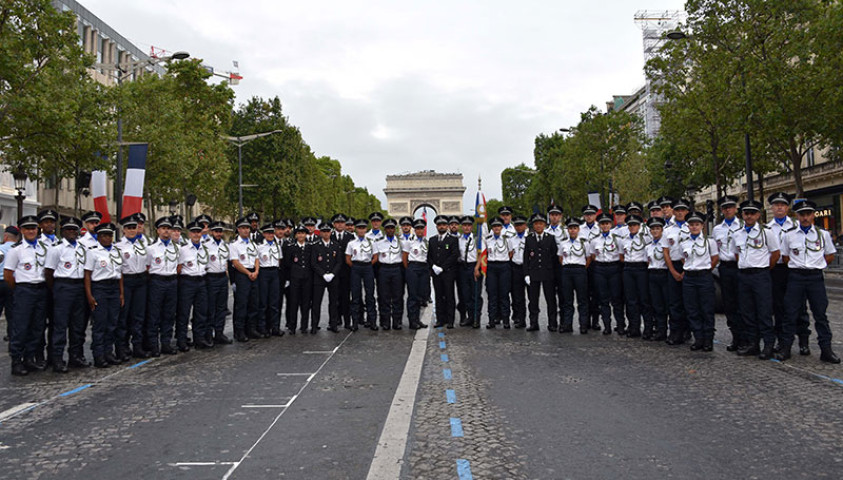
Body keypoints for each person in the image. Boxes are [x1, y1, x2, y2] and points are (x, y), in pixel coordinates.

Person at [780, 200, 840, 363]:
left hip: (815, 278)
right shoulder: (789, 235)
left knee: (820, 314)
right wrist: (800, 266)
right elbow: (786, 257)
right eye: (802, 214)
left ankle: (826, 350)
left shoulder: (823, 234)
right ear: (797, 216)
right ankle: (786, 347)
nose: (805, 218)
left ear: (813, 215)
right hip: (796, 277)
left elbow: (829, 255)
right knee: (790, 313)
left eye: (808, 214)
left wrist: (815, 265)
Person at [733, 200, 780, 359]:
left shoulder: (766, 232)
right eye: (746, 213)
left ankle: (768, 344)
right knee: (747, 311)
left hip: (761, 275)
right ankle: (753, 343)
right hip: (744, 275)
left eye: (753, 213)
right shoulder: (737, 234)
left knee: (764, 311)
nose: (749, 216)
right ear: (742, 215)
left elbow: (775, 254)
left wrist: (764, 268)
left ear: (758, 215)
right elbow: (737, 254)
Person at [767, 192, 811, 355]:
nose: (779, 207)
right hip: (776, 270)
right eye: (776, 205)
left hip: (793, 268)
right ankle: (781, 340)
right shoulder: (767, 228)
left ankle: (803, 341)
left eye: (783, 205)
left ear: (787, 208)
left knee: (799, 306)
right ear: (772, 208)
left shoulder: (796, 226)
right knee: (778, 307)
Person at [4, 215, 49, 375]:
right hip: (24, 290)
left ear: (38, 230)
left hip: (41, 289)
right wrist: (19, 289)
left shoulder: (43, 248)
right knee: (21, 327)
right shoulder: (16, 251)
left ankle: (30, 358)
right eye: (27, 228)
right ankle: (17, 361)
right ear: (22, 230)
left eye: (33, 228)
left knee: (37, 327)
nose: (31, 231)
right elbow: (8, 274)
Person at [44, 217, 86, 373]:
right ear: (62, 232)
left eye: (74, 230)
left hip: (79, 287)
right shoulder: (56, 249)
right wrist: (57, 289)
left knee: (77, 325)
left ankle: (75, 356)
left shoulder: (82, 249)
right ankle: (57, 359)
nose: (72, 232)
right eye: (68, 230)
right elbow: (49, 272)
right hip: (63, 286)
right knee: (60, 325)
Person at [84, 222, 124, 368]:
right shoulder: (92, 252)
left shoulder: (116, 251)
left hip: (113, 288)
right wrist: (89, 295)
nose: (107, 238)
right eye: (104, 235)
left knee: (112, 322)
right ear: (98, 237)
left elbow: (120, 274)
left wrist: (121, 294)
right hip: (99, 288)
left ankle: (109, 352)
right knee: (100, 323)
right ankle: (98, 354)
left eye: (109, 235)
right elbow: (87, 274)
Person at [681, 211, 719, 352]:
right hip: (689, 278)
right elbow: (683, 258)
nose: (694, 227)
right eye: (691, 225)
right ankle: (698, 338)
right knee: (692, 309)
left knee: (706, 309)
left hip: (704, 277)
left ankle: (708, 339)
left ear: (702, 226)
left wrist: (706, 269)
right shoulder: (684, 243)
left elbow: (715, 258)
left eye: (697, 224)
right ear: (688, 227)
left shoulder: (710, 242)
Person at [711, 195, 743, 351]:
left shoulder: (743, 225)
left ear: (736, 208)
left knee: (744, 303)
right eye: (724, 208)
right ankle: (736, 337)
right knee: (729, 304)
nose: (728, 210)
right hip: (725, 267)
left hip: (741, 267)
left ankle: (748, 338)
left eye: (730, 207)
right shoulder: (717, 230)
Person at [115, 214, 149, 360]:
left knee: (139, 316)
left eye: (134, 227)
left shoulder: (143, 245)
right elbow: (118, 269)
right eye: (128, 228)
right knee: (124, 317)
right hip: (126, 281)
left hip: (141, 280)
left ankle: (137, 346)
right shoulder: (118, 247)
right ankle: (122, 348)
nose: (131, 230)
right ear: (123, 230)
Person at [146, 216, 180, 355]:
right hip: (157, 282)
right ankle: (153, 345)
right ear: (158, 231)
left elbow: (179, 266)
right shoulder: (151, 249)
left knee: (169, 314)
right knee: (154, 314)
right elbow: (147, 267)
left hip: (172, 281)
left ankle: (166, 343)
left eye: (168, 229)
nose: (166, 231)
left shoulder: (177, 248)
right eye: (163, 229)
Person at [176, 221, 210, 351]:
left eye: (198, 232)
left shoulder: (204, 248)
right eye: (194, 232)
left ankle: (199, 338)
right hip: (187, 282)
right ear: (189, 234)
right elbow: (179, 268)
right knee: (184, 312)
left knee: (200, 312)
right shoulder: (183, 250)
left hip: (201, 281)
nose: (196, 234)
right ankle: (182, 340)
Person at [589, 212, 625, 335]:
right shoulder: (594, 241)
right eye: (602, 224)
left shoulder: (618, 240)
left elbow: (621, 255)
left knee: (616, 298)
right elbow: (593, 256)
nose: (605, 226)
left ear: (611, 224)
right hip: (600, 269)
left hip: (614, 268)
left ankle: (620, 325)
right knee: (603, 299)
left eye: (607, 223)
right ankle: (607, 325)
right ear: (599, 225)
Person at [524, 213, 558, 332]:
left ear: (544, 225)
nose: (538, 226)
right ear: (533, 226)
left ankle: (552, 323)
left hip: (548, 273)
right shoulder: (529, 239)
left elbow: (554, 257)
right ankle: (534, 323)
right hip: (534, 273)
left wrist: (555, 274)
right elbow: (526, 258)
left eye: (541, 223)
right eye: (536, 224)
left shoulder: (550, 238)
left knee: (551, 300)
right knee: (533, 300)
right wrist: (526, 274)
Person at [664, 198, 691, 344]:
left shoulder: (692, 226)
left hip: (689, 266)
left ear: (687, 211)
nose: (680, 213)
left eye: (683, 210)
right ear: (673, 212)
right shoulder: (668, 230)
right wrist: (673, 271)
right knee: (674, 302)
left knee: (689, 302)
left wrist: (686, 269)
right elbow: (666, 252)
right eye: (677, 210)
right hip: (673, 266)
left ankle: (688, 330)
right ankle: (675, 332)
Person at [559, 217, 592, 334]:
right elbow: (560, 257)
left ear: (578, 230)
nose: (572, 230)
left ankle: (583, 324)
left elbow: (588, 258)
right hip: (567, 271)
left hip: (580, 271)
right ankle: (568, 324)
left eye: (575, 228)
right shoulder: (563, 242)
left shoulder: (584, 242)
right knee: (567, 300)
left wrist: (581, 268)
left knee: (582, 299)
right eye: (570, 228)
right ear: (567, 230)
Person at [621, 214, 652, 338]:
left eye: (635, 225)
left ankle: (648, 328)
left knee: (644, 299)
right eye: (630, 225)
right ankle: (634, 327)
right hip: (628, 268)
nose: (632, 227)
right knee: (631, 300)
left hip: (641, 269)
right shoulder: (624, 239)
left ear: (639, 226)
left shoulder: (646, 239)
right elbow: (621, 255)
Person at [230, 216, 260, 341]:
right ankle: (239, 331)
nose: (246, 230)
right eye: (243, 228)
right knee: (241, 304)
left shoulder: (253, 244)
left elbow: (256, 259)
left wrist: (256, 271)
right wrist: (248, 273)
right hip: (242, 274)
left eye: (247, 228)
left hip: (253, 274)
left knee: (253, 303)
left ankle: (251, 329)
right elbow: (235, 263)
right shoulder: (234, 245)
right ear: (238, 230)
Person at [428, 215, 459, 328]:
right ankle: (440, 319)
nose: (441, 226)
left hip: (448, 272)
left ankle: (450, 320)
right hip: (436, 273)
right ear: (436, 226)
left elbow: (454, 255)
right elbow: (429, 256)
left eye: (444, 225)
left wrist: (443, 267)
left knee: (449, 296)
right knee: (438, 296)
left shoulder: (453, 240)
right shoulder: (432, 240)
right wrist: (433, 266)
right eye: (439, 225)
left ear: (447, 226)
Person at [346, 218, 377, 331]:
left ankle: (372, 321)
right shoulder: (351, 243)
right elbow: (348, 259)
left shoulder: (371, 242)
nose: (361, 230)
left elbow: (375, 257)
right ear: (356, 229)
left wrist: (368, 265)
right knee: (355, 295)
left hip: (367, 267)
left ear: (366, 229)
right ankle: (355, 322)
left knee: (370, 295)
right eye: (359, 228)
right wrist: (355, 267)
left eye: (363, 228)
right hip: (356, 267)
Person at [205, 221, 232, 344]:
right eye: (216, 231)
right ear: (211, 232)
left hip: (222, 277)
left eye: (220, 231)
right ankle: (209, 334)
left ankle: (219, 333)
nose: (218, 233)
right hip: (211, 277)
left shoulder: (224, 245)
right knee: (211, 307)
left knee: (221, 307)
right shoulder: (205, 245)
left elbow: (227, 262)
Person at [312, 222, 342, 332]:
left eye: (327, 231)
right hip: (320, 278)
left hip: (333, 278)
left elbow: (339, 262)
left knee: (333, 302)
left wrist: (332, 274)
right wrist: (323, 274)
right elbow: (314, 263)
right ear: (320, 233)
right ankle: (314, 325)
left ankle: (333, 324)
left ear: (331, 232)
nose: (326, 234)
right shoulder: (315, 246)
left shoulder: (335, 245)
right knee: (316, 303)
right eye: (323, 232)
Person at [375, 218, 405, 330]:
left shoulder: (401, 242)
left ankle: (397, 321)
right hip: (384, 269)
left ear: (395, 229)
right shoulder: (378, 243)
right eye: (388, 228)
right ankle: (385, 322)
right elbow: (376, 258)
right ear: (385, 229)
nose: (390, 230)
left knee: (398, 296)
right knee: (384, 297)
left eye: (392, 228)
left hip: (397, 269)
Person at [403, 219, 431, 330]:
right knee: (413, 296)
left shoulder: (426, 242)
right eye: (418, 228)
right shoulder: (409, 241)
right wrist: (409, 269)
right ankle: (412, 321)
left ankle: (417, 319)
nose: (420, 230)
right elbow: (404, 257)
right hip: (413, 268)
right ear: (414, 230)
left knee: (420, 296)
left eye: (421, 228)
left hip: (423, 268)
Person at [485, 216, 512, 328]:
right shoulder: (488, 239)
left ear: (501, 227)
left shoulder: (507, 239)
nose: (496, 228)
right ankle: (492, 319)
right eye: (494, 226)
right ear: (492, 228)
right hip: (491, 267)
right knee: (492, 294)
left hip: (504, 266)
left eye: (498, 226)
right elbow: (485, 254)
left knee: (504, 294)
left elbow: (511, 253)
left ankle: (506, 320)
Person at [286, 225, 314, 333]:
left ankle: (304, 326)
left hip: (307, 278)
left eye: (303, 233)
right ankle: (292, 326)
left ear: (306, 235)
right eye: (299, 233)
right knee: (294, 302)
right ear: (296, 235)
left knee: (306, 303)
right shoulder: (291, 247)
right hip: (295, 278)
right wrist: (288, 278)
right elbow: (288, 264)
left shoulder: (310, 247)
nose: (301, 235)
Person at [645, 217, 669, 341]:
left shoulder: (666, 245)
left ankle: (675, 330)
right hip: (652, 275)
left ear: (662, 230)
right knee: (657, 304)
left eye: (657, 228)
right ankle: (661, 330)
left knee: (668, 303)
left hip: (664, 274)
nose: (655, 231)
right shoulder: (648, 246)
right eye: (653, 229)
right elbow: (647, 261)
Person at [456, 215, 482, 328]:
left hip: (474, 267)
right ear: (462, 227)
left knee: (475, 294)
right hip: (463, 268)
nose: (466, 228)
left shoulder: (478, 239)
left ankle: (477, 318)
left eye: (469, 225)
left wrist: (477, 268)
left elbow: (481, 255)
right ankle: (470, 317)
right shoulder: (458, 240)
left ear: (472, 227)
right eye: (464, 225)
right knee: (466, 295)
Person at [256, 223, 282, 337]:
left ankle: (275, 327)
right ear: (264, 234)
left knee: (274, 302)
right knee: (263, 302)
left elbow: (279, 260)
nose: (270, 235)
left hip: (274, 272)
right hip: (264, 272)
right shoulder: (260, 246)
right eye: (268, 233)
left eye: (272, 233)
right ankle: (263, 327)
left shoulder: (277, 246)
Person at [581, 205, 601, 331]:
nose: (589, 216)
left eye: (591, 214)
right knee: (584, 293)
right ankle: (585, 320)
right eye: (587, 214)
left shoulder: (600, 227)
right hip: (582, 262)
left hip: (596, 263)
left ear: (595, 215)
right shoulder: (579, 229)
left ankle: (596, 320)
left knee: (596, 293)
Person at [332, 214, 354, 329]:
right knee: (334, 297)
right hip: (333, 272)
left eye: (342, 222)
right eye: (337, 222)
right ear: (334, 224)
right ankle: (335, 320)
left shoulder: (351, 237)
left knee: (346, 296)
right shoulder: (329, 236)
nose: (340, 224)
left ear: (345, 224)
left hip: (346, 271)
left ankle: (347, 320)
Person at [508, 215, 529, 329]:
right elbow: (510, 254)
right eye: (517, 225)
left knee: (532, 297)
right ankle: (521, 319)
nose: (519, 227)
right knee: (518, 297)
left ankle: (533, 320)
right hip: (516, 268)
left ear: (525, 226)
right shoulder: (511, 239)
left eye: (521, 225)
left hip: (529, 269)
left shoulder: (530, 238)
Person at [0, 226, 20, 343]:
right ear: (17, 238)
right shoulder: (18, 249)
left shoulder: (0, 248)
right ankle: (12, 338)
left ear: (5, 236)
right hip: (12, 283)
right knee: (12, 314)